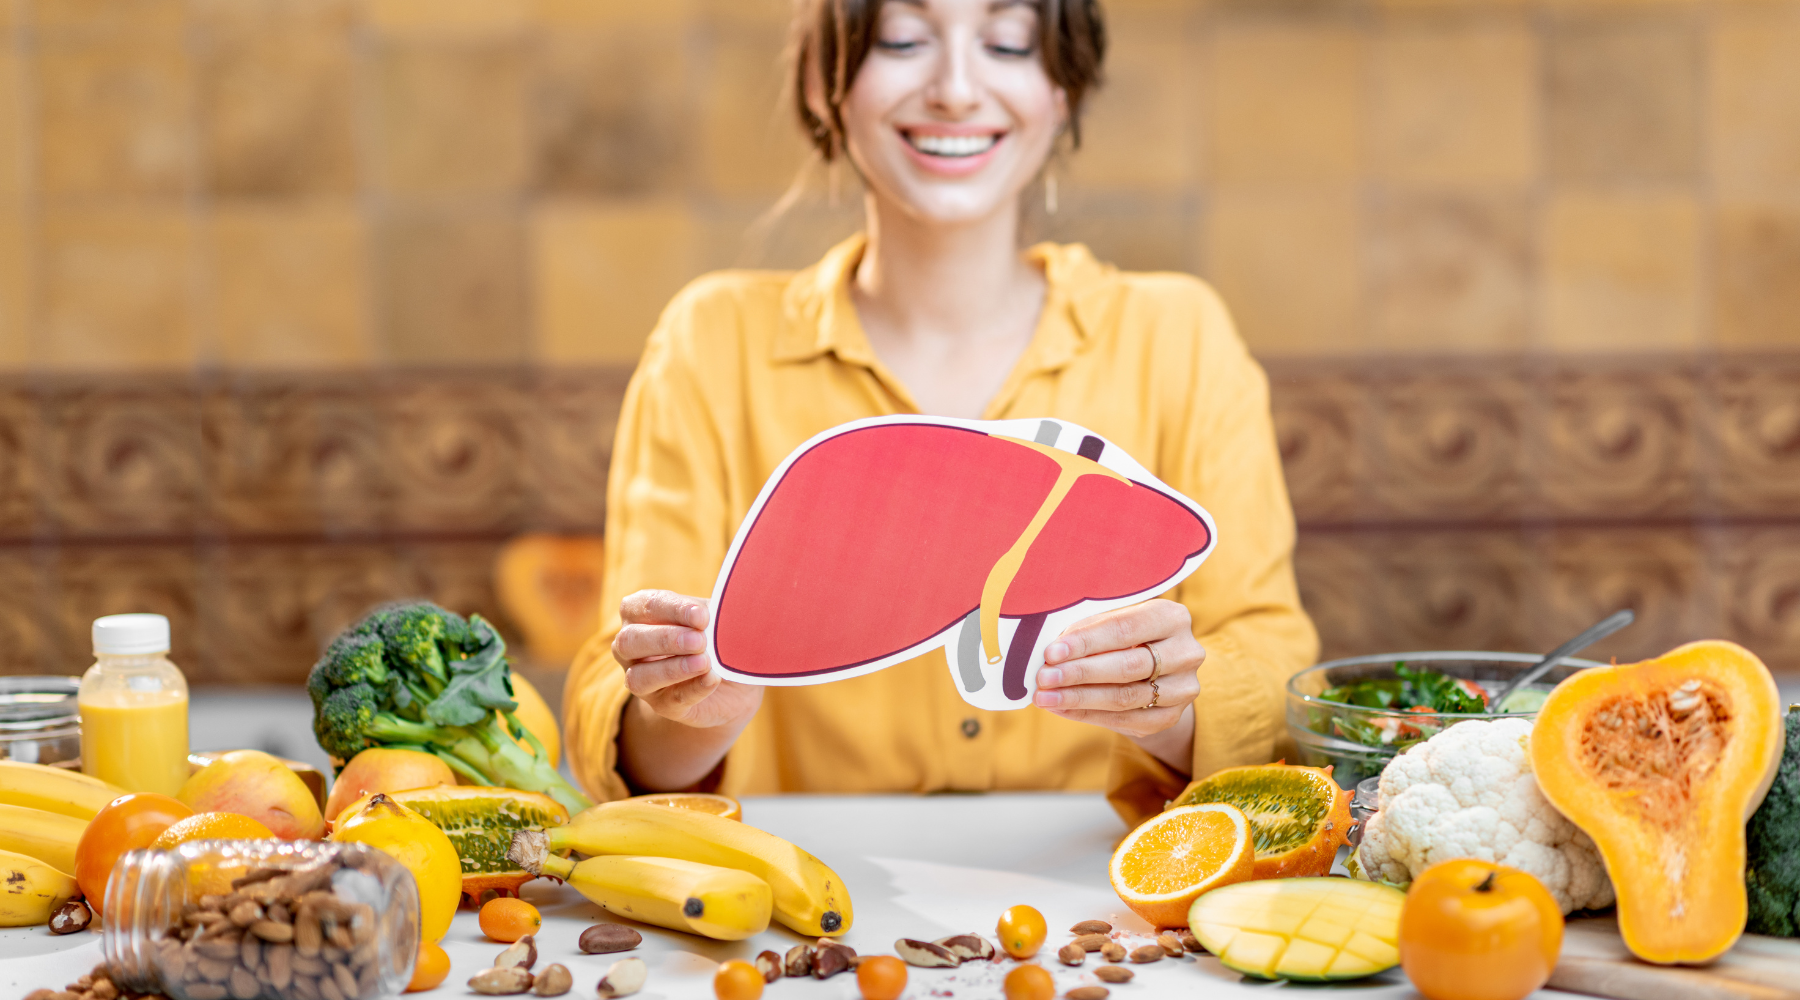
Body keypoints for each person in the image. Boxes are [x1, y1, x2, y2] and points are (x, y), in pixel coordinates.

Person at [563, 0, 1317, 825]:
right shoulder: (709, 343)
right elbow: (623, 732)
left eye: (1006, 43)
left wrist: (1169, 708)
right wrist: (690, 705)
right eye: (904, 39)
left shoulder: (1181, 336)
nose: (956, 89)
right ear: (824, 83)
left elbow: (1275, 676)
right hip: (805, 907)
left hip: (1108, 909)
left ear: (1061, 88)